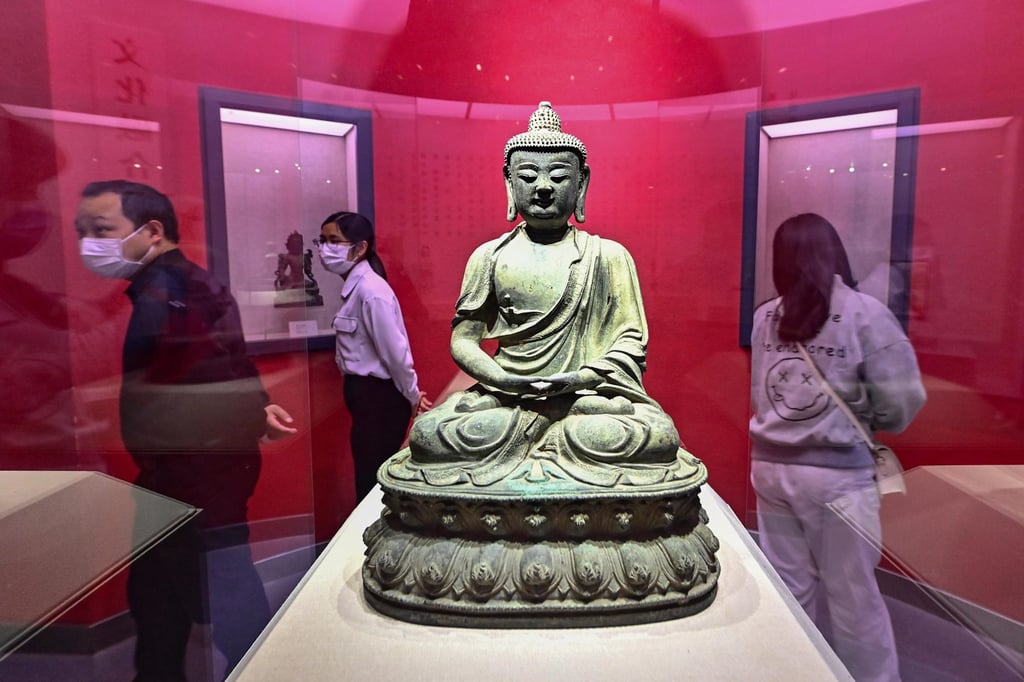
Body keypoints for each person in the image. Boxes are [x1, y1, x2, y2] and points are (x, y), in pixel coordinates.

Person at [75, 180, 297, 681]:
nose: (89, 242)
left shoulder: (170, 293)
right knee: (159, 603)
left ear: (151, 231)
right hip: (182, 472)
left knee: (227, 599)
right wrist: (256, 407)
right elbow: (222, 365)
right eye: (83, 230)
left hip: (192, 476)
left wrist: (245, 412)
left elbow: (201, 384)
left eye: (102, 229)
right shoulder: (190, 284)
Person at [404, 101, 680, 488]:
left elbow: (630, 342)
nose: (544, 188)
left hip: (583, 398)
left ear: (581, 183)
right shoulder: (489, 257)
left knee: (652, 437)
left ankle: (546, 446)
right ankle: (550, 450)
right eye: (529, 175)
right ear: (509, 183)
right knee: (431, 435)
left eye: (559, 177)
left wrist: (577, 378)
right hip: (508, 397)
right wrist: (503, 380)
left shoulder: (609, 257)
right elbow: (464, 340)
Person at [748, 212, 926, 682]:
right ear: (834, 253)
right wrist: (873, 419)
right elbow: (903, 402)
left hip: (771, 469)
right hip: (839, 480)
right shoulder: (866, 315)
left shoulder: (766, 316)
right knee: (853, 597)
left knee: (789, 589)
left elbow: (761, 395)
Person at [316, 211, 431, 501]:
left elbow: (396, 353)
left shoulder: (372, 291)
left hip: (380, 397)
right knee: (368, 472)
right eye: (323, 241)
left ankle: (374, 538)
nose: (325, 249)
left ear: (361, 246)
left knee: (373, 480)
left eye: (335, 241)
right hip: (365, 395)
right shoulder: (356, 288)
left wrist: (413, 394)